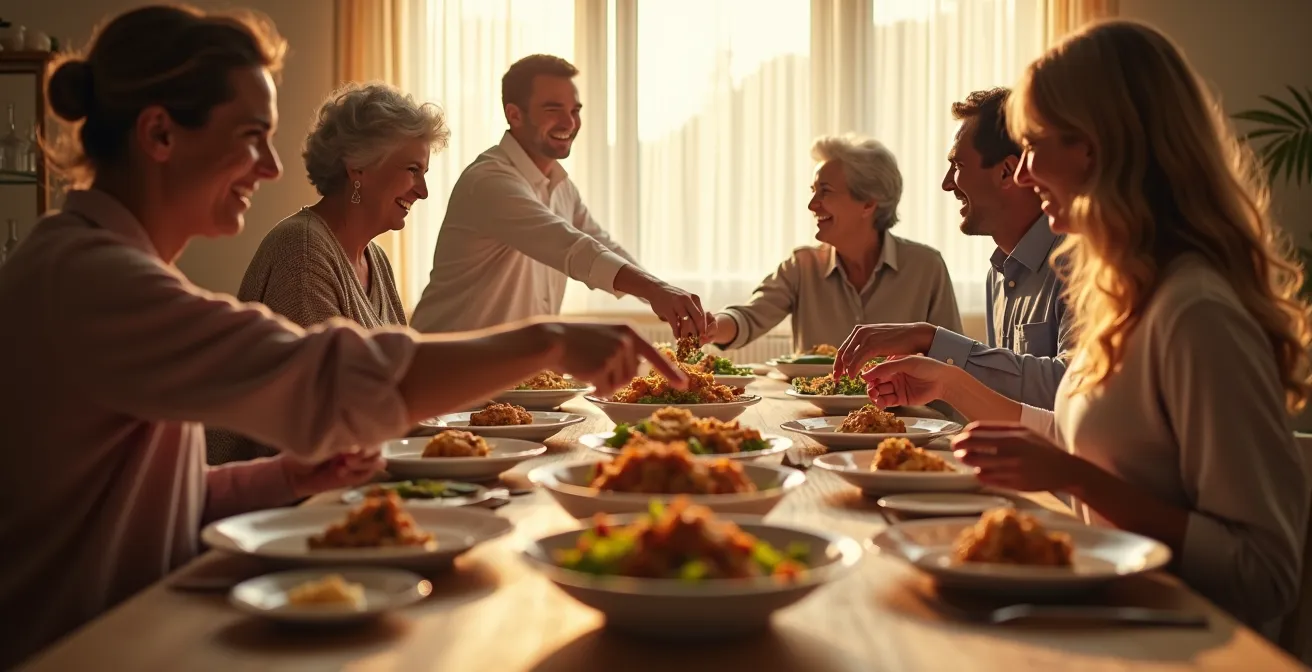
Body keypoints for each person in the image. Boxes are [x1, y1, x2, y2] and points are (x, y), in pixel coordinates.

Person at [0, 7, 684, 666]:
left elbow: (154, 500)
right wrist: (549, 340)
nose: (270, 167)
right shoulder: (93, 282)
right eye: (249, 136)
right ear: (159, 135)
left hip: (144, 624)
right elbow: (325, 376)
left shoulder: (100, 266)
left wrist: (283, 476)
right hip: (83, 647)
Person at [850, 20, 1311, 635]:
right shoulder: (1125, 292)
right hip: (1110, 619)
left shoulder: (1196, 311)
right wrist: (949, 382)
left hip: (1185, 642)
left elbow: (1264, 573)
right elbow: (1078, 441)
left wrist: (1072, 477)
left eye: (1035, 145)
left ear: (1095, 146)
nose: (1026, 171)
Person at [207, 82, 448, 465]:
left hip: (350, 473)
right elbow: (319, 414)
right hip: (283, 501)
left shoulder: (376, 260)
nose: (423, 191)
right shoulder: (302, 250)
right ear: (358, 168)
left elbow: (397, 388)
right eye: (412, 170)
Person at [409, 54, 713, 342]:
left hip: (511, 377)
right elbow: (573, 248)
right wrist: (657, 291)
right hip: (445, 375)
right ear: (514, 114)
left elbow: (602, 245)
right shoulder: (489, 181)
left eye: (575, 110)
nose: (569, 123)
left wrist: (664, 297)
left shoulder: (561, 186)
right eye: (553, 110)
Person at [834, 88, 1069, 408]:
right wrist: (940, 383)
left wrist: (931, 339)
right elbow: (1008, 401)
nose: (947, 183)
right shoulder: (997, 275)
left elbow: (1073, 391)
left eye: (957, 164)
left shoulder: (1078, 262)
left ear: (1006, 172)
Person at [711, 134, 963, 354]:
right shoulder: (801, 266)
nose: (812, 205)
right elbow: (748, 317)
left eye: (825, 191)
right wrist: (708, 327)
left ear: (867, 203)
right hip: (818, 410)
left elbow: (952, 356)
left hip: (905, 410)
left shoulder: (926, 267)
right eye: (813, 190)